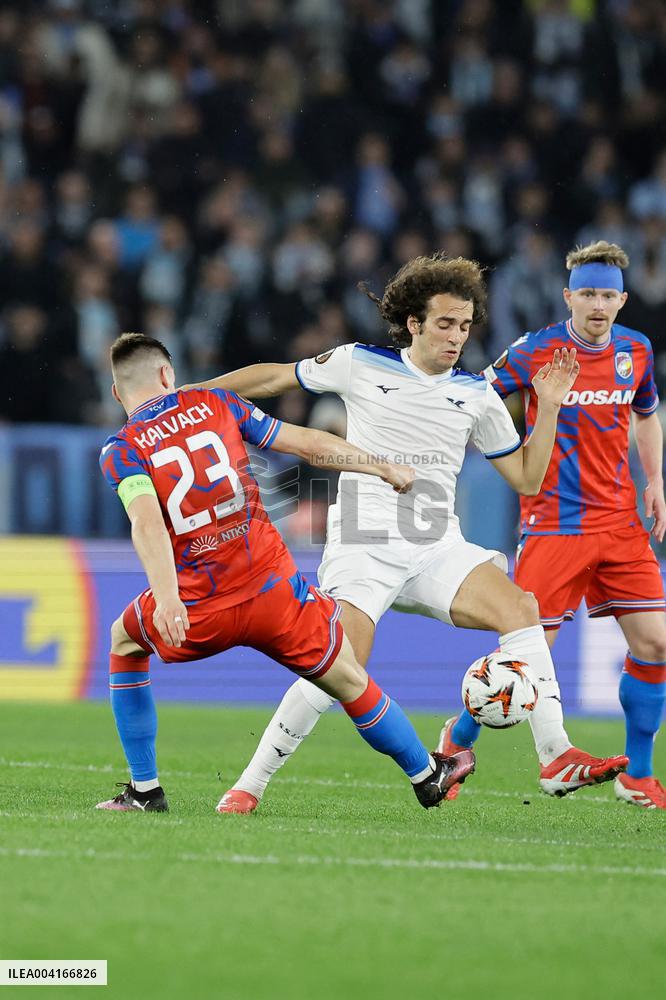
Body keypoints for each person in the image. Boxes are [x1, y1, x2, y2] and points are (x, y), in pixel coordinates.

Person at [184, 253, 626, 815]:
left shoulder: (477, 394)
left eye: (465, 326)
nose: (456, 337)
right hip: (365, 546)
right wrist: (193, 397)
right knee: (339, 667)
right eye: (444, 324)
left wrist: (550, 410)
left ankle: (556, 755)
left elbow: (527, 477)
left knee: (521, 608)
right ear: (414, 323)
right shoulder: (358, 364)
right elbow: (272, 375)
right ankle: (250, 784)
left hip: (437, 547)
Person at [96, 332, 476, 813]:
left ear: (117, 393)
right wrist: (378, 466)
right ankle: (426, 773)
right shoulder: (216, 402)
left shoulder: (122, 447)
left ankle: (145, 792)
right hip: (274, 590)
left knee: (124, 642)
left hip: (200, 604)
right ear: (168, 375)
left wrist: (167, 595)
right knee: (348, 679)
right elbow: (307, 445)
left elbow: (147, 520)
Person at [461, 240, 664, 809]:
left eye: (607, 295)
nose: (597, 305)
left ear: (622, 299)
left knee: (656, 644)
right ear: (568, 295)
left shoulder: (637, 351)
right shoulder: (535, 350)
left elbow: (646, 415)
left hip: (622, 524)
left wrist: (656, 482)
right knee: (525, 655)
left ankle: (639, 774)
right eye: (587, 294)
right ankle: (458, 740)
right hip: (554, 525)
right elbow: (475, 398)